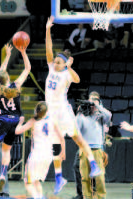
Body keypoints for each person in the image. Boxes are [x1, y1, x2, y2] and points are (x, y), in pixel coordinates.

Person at [46, 16, 102, 195]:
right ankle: (59, 178)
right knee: (54, 146)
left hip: (63, 111)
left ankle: (93, 165)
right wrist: (48, 30)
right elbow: (48, 49)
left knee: (77, 138)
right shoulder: (51, 68)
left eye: (58, 62)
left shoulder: (67, 74)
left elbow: (78, 79)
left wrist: (69, 68)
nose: (55, 63)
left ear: (64, 64)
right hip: (52, 113)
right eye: (55, 61)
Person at [0, 43, 31, 193]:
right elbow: (28, 69)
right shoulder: (15, 86)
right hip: (14, 121)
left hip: (1, 118)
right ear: (8, 78)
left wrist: (8, 56)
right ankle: (3, 174)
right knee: (6, 151)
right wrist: (22, 52)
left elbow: (0, 72)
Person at [15, 101, 66, 198]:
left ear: (36, 110)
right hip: (48, 155)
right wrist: (63, 152)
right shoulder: (52, 121)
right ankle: (40, 197)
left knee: (28, 181)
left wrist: (20, 122)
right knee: (36, 180)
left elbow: (17, 131)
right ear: (47, 111)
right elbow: (62, 139)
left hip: (37, 154)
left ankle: (38, 197)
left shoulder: (33, 121)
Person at [76, 92, 112, 199]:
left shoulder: (101, 116)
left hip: (97, 149)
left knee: (99, 177)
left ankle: (101, 197)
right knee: (85, 178)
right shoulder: (82, 115)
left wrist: (97, 106)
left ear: (99, 101)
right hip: (85, 149)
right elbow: (76, 129)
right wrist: (79, 112)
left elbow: (109, 115)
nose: (92, 102)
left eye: (95, 99)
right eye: (91, 100)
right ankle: (87, 197)